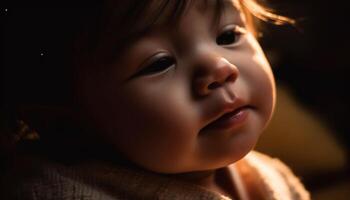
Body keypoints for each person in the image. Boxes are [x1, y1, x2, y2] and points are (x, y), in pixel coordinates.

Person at [1, 0, 311, 199]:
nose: (221, 68)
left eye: (228, 36)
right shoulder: (53, 192)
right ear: (62, 118)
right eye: (159, 63)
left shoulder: (270, 177)